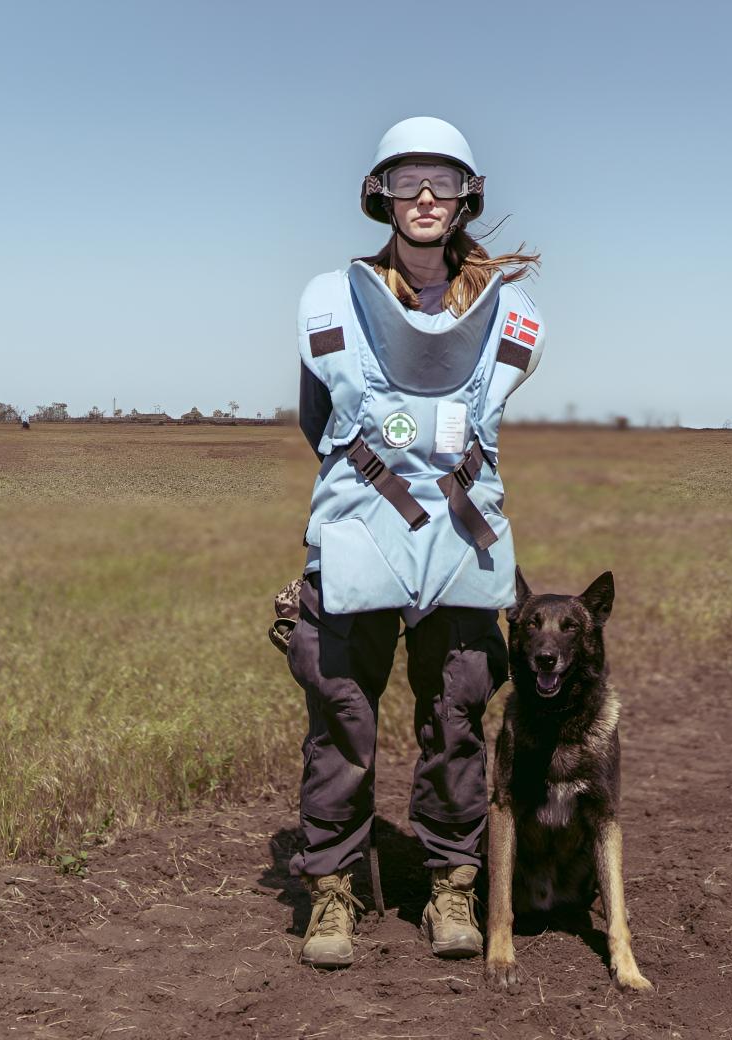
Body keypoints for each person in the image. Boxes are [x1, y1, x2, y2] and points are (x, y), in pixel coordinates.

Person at [287, 116, 544, 968]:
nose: (425, 196)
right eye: (407, 181)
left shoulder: (511, 318)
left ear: (468, 194)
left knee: (458, 715)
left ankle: (451, 886)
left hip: (463, 545)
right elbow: (316, 423)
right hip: (360, 536)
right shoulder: (332, 302)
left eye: (441, 180)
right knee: (342, 721)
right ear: (381, 196)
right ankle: (331, 893)